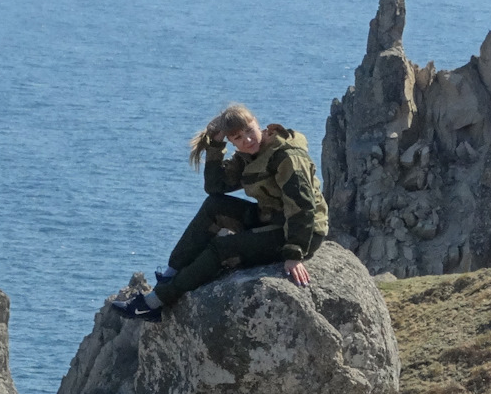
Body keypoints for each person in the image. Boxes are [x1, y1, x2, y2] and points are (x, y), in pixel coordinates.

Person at [112, 103, 329, 323]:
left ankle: (154, 304)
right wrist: (215, 145)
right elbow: (216, 186)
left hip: (301, 232)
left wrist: (294, 253)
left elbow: (302, 206)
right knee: (214, 206)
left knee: (222, 249)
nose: (246, 140)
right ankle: (170, 275)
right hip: (271, 218)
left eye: (249, 131)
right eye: (237, 138)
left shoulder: (286, 156)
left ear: (258, 124)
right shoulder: (250, 155)